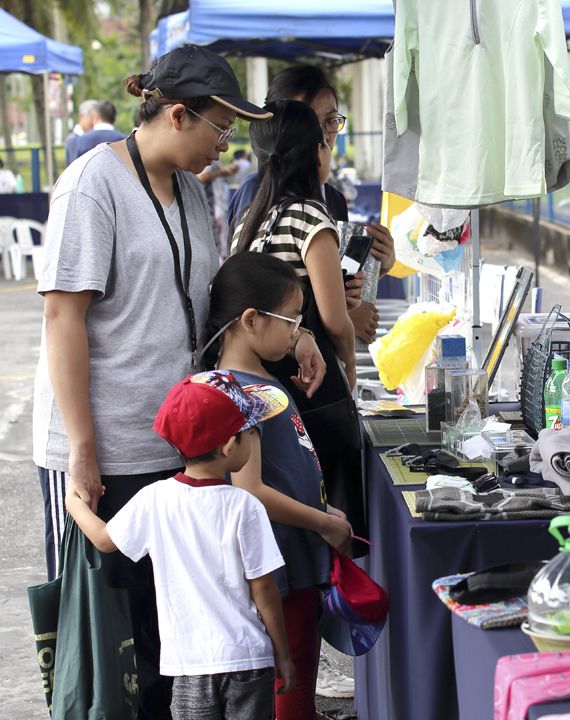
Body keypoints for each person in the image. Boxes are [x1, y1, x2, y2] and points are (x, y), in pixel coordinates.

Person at [32, 44, 324, 717]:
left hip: (179, 447)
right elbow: (63, 317)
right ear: (177, 113)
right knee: (110, 648)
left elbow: (220, 297)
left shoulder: (196, 195)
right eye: (220, 128)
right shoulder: (91, 186)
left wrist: (296, 329)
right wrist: (82, 446)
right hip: (102, 449)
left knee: (174, 645)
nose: (225, 147)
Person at [65, 371, 296, 718]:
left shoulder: (155, 499)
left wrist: (74, 504)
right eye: (251, 431)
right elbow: (263, 589)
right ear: (230, 446)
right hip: (248, 660)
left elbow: (103, 539)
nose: (254, 437)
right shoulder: (244, 506)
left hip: (188, 665)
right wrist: (283, 653)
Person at [201, 252, 353, 719]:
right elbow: (251, 491)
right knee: (290, 672)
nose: (296, 330)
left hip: (291, 555)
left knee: (295, 670)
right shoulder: (237, 393)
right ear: (250, 320)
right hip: (276, 563)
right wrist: (323, 521)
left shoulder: (256, 380)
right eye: (291, 319)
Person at [226, 64, 394, 346]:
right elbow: (254, 300)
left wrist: (379, 265)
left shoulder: (333, 199)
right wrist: (340, 318)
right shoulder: (255, 194)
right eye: (306, 122)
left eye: (330, 121)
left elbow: (337, 279)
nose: (322, 136)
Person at [64, 99, 97, 165]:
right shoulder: (73, 139)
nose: (94, 121)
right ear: (81, 116)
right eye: (92, 117)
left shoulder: (93, 136)